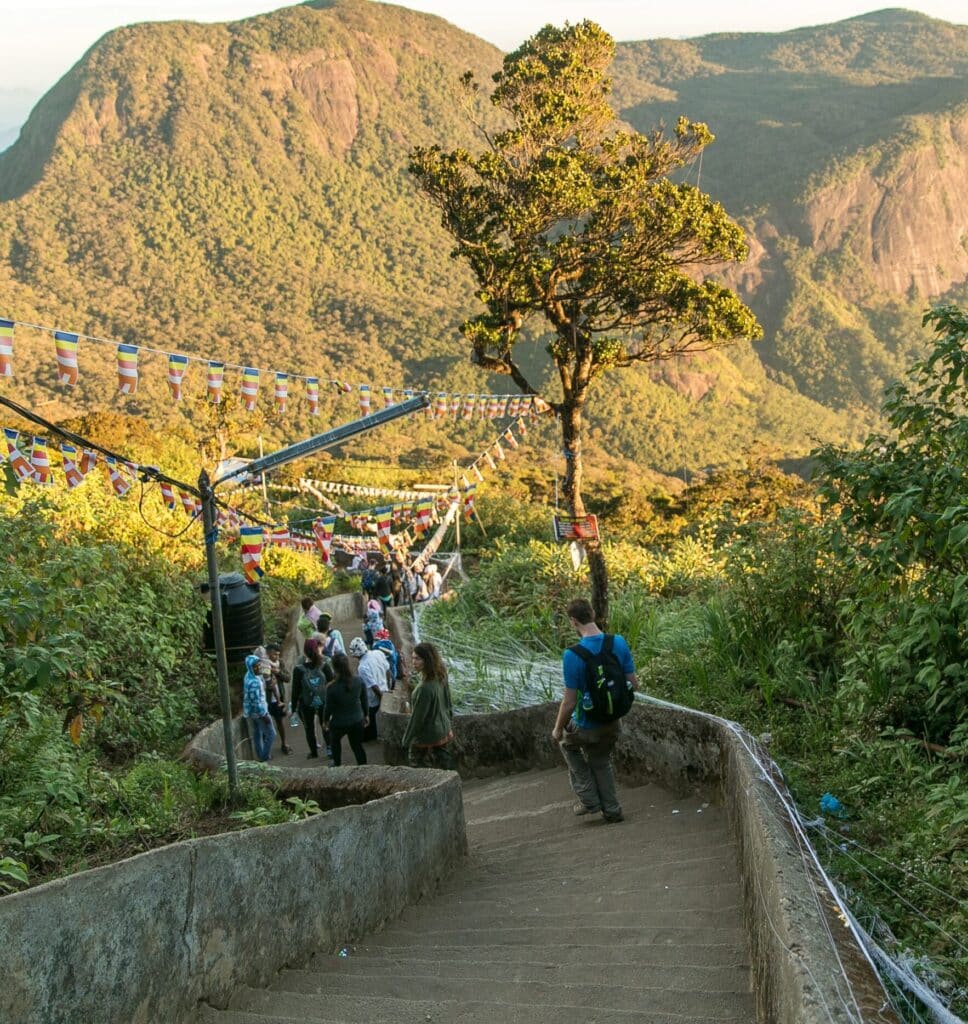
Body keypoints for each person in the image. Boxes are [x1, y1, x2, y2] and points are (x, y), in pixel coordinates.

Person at [551, 598, 637, 823]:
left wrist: (558, 728)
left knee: (568, 745)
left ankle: (589, 800)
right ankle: (612, 809)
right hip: (613, 722)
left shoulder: (572, 655)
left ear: (573, 621)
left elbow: (569, 703)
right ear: (593, 612)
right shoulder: (617, 642)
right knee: (600, 760)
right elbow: (634, 684)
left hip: (588, 724)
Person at [401, 641, 456, 769]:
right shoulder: (441, 673)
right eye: (413, 658)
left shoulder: (424, 688)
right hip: (443, 727)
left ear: (427, 660)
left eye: (418, 659)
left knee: (416, 762)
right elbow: (448, 699)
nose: (413, 662)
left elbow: (417, 719)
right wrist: (449, 718)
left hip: (429, 732)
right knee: (443, 760)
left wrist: (406, 740)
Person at [290, 638, 334, 759]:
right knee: (325, 724)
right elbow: (332, 682)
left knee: (309, 728)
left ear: (305, 652)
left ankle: (314, 752)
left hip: (306, 703)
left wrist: (293, 708)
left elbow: (295, 691)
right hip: (323, 701)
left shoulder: (298, 669)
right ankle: (330, 749)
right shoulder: (324, 665)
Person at [324, 652, 369, 766]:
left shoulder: (332, 687)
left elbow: (328, 707)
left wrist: (325, 721)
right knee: (357, 746)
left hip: (339, 722)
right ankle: (364, 768)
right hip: (357, 719)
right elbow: (364, 699)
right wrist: (366, 715)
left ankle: (337, 764)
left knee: (335, 743)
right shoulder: (358, 680)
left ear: (334, 668)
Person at [349, 636, 390, 741]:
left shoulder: (362, 667)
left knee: (369, 715)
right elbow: (387, 670)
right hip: (385, 688)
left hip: (374, 696)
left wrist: (382, 699)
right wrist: (389, 687)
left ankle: (370, 736)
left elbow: (373, 686)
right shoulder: (378, 653)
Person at [258, 642, 292, 755]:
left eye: (278, 654)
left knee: (280, 722)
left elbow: (288, 678)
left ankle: (284, 743)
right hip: (265, 700)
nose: (276, 657)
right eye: (274, 654)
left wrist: (278, 673)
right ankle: (265, 749)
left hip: (277, 699)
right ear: (267, 653)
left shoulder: (280, 664)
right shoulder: (262, 664)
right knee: (265, 724)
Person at [243, 653, 275, 762]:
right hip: (259, 713)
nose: (259, 667)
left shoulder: (248, 676)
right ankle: (264, 757)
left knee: (257, 734)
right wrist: (264, 714)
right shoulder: (254, 682)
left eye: (259, 665)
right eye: (256, 666)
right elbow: (256, 702)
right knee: (271, 734)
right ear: (251, 667)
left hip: (252, 713)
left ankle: (260, 755)